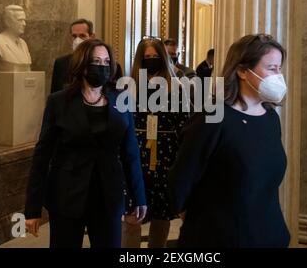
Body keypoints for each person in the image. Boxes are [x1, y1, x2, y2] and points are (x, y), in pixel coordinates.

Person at [169, 34, 291, 248]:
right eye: (272, 68)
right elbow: (182, 180)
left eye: (279, 68)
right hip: (219, 237)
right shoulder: (213, 117)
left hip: (268, 235)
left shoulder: (270, 118)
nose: (278, 76)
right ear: (243, 70)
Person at [24, 39, 147, 248]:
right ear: (82, 65)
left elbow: (131, 153)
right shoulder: (58, 101)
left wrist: (139, 196)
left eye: (106, 62)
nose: (102, 66)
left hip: (108, 196)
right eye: (96, 61)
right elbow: (42, 155)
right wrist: (32, 209)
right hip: (67, 195)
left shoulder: (121, 100)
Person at [122, 37, 190, 248]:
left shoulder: (177, 86)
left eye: (155, 57)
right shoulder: (130, 86)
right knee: (133, 213)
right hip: (137, 154)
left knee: (161, 214)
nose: (151, 61)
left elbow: (184, 124)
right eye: (147, 57)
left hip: (165, 154)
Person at [50, 19, 96, 93]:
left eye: (82, 36)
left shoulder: (102, 64)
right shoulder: (61, 63)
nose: (77, 40)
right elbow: (54, 93)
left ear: (92, 37)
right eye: (74, 36)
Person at [0, 5, 32, 72]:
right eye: (20, 20)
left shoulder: (23, 43)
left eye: (24, 20)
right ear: (8, 22)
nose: (24, 24)